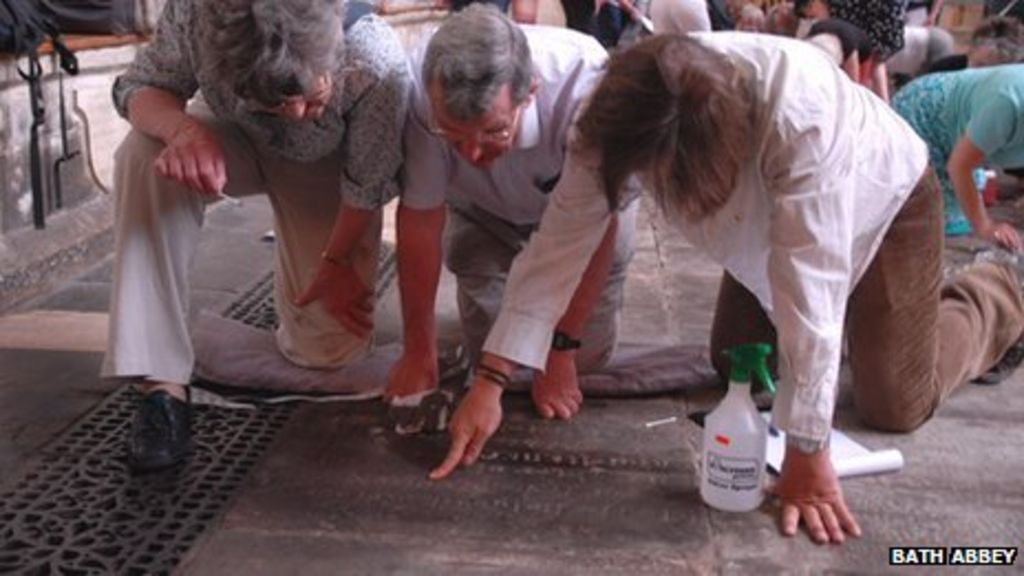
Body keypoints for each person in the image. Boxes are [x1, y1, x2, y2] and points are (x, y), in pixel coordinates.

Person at [430, 33, 1024, 546]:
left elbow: (809, 292)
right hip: (762, 238)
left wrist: (807, 451)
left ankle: (997, 292)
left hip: (887, 199)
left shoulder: (801, 116)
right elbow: (559, 244)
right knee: (733, 363)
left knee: (894, 402)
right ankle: (880, 322)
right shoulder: (614, 109)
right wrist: (492, 377)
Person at [102, 0, 410, 471]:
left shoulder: (374, 55)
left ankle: (282, 318)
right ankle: (160, 381)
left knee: (327, 351)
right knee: (142, 155)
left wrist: (336, 265)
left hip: (326, 165)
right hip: (231, 137)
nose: (297, 113)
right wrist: (181, 131)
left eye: (311, 95)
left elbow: (368, 187)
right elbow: (141, 86)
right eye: (278, 105)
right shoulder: (195, 14)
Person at [388, 4, 637, 421]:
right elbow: (420, 219)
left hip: (584, 222)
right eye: (453, 136)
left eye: (493, 132)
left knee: (587, 358)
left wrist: (562, 347)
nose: (471, 154)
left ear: (531, 92)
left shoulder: (587, 84)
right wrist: (418, 350)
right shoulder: (420, 87)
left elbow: (597, 225)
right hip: (484, 212)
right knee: (498, 351)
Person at [893, 65, 1024, 251]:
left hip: (961, 128)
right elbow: (959, 167)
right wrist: (985, 226)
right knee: (940, 221)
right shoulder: (1006, 105)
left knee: (966, 202)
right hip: (921, 118)